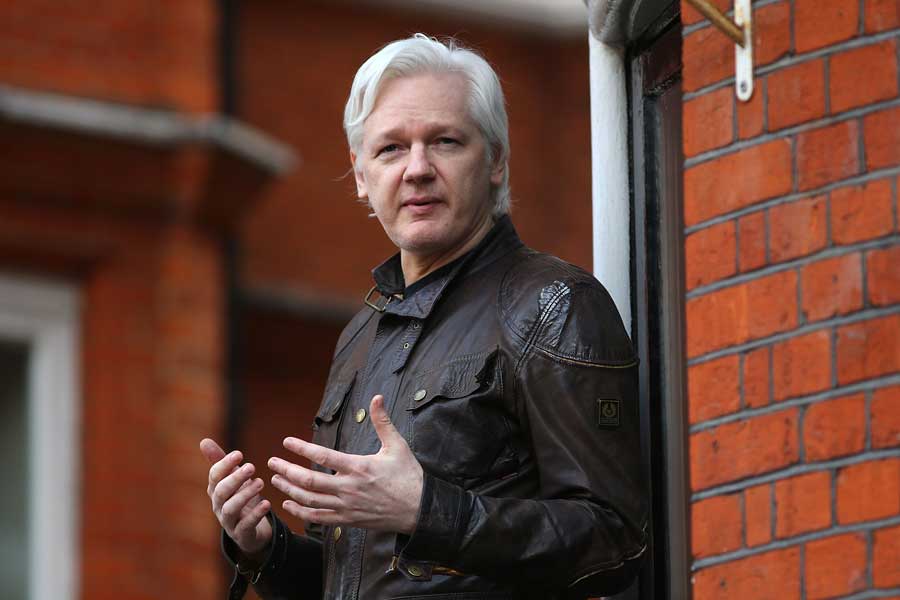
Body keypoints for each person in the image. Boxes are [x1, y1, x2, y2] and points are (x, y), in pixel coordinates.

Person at [201, 34, 648, 600]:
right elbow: (357, 579)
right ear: (361, 175)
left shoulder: (554, 304)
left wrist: (426, 509)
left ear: (496, 160)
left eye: (445, 141)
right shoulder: (361, 336)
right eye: (390, 148)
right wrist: (265, 549)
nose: (417, 169)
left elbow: (615, 543)